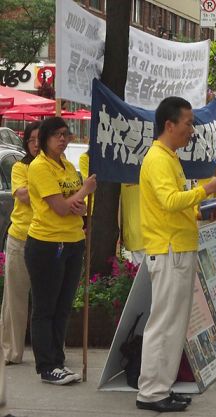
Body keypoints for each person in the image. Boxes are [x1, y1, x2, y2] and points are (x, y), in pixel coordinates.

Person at [136, 97, 216, 412]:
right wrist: (207, 189)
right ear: (169, 125)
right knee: (164, 323)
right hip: (169, 250)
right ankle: (150, 391)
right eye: (188, 123)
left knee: (174, 324)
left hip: (178, 247)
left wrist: (202, 211)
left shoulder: (169, 157)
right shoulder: (159, 158)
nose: (192, 129)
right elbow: (170, 200)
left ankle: (160, 387)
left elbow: (177, 206)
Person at [24, 117, 97, 385]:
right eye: (57, 135)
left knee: (64, 305)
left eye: (65, 134)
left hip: (73, 241)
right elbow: (61, 207)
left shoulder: (68, 166)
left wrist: (77, 199)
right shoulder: (39, 167)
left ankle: (59, 359)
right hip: (46, 243)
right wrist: (83, 193)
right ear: (44, 138)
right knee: (46, 307)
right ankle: (47, 365)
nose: (63, 139)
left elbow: (78, 206)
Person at [0, 121, 40, 365]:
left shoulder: (58, 167)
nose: (36, 144)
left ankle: (48, 353)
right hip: (21, 238)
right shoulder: (19, 168)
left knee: (47, 300)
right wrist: (49, 192)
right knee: (14, 298)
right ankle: (12, 351)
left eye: (40, 139)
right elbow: (22, 195)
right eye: (32, 140)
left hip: (48, 240)